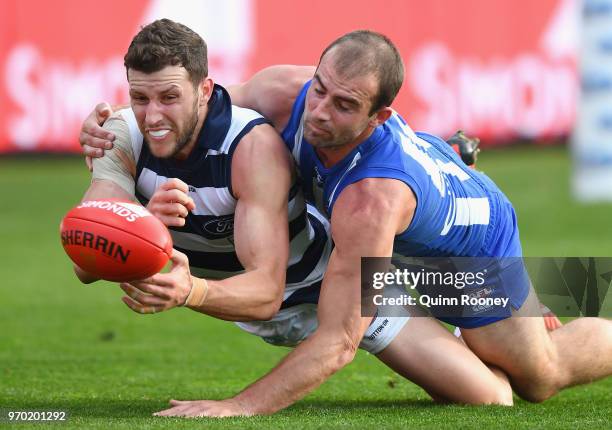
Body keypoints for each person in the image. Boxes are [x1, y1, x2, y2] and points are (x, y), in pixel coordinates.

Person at [75, 19, 520, 417]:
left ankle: (549, 305)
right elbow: (84, 261)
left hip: (333, 280)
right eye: (139, 98)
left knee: (503, 392)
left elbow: (269, 295)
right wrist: (138, 223)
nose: (153, 116)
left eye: (170, 97)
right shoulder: (119, 134)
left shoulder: (252, 146)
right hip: (358, 244)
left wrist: (237, 403)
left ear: (204, 91)